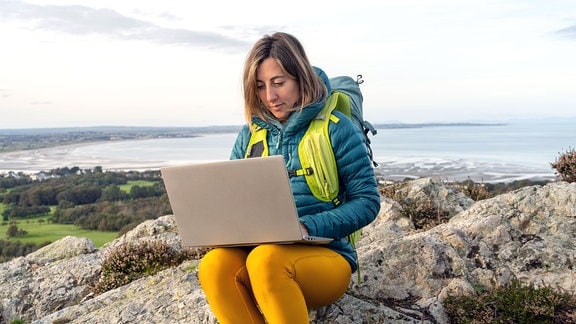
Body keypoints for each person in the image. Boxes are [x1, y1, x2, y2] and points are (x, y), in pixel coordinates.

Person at [197, 32, 381, 324]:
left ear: (300, 78)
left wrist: (306, 226)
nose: (270, 96)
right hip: (260, 254)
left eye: (279, 83)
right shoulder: (249, 135)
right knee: (214, 266)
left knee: (265, 261)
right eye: (260, 86)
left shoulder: (336, 128)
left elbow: (368, 202)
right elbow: (234, 202)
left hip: (326, 258)